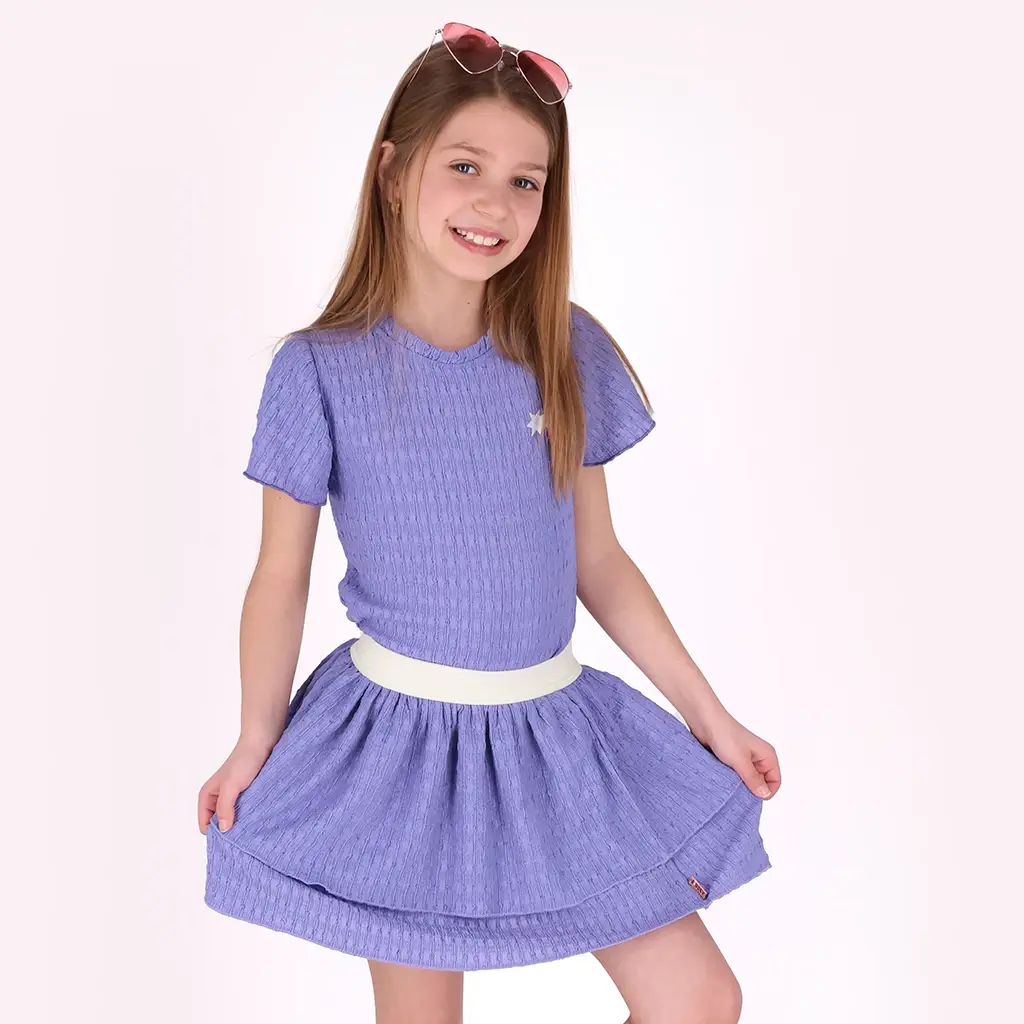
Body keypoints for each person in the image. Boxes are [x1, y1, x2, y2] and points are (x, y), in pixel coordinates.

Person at [198, 21, 780, 1024]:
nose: (495, 203)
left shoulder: (564, 349)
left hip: (555, 738)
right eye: (464, 166)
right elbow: (279, 576)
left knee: (697, 999)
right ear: (394, 171)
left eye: (526, 180)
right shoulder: (318, 370)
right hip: (396, 752)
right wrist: (257, 735)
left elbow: (599, 560)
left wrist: (710, 715)